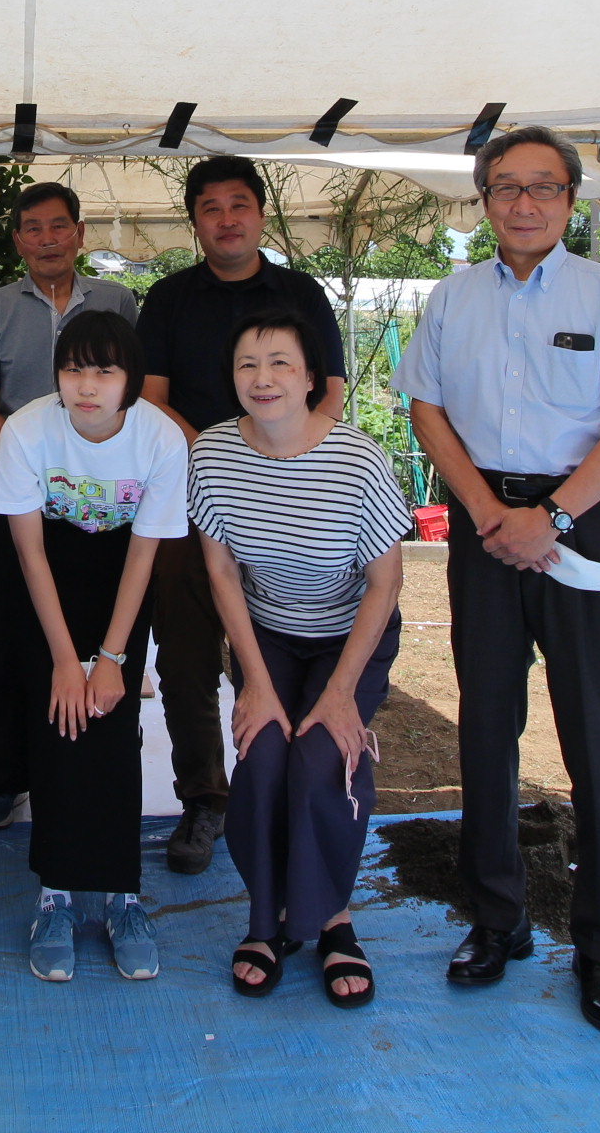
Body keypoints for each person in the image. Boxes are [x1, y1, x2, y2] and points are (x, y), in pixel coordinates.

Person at [393, 124, 600, 1036]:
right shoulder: (455, 297)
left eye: (543, 188)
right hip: (485, 526)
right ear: (484, 200)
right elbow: (426, 407)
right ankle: (496, 919)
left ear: (570, 199)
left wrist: (548, 518)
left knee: (598, 734)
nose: (523, 203)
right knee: (485, 728)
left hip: (582, 526)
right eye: (506, 187)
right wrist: (486, 514)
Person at [191, 310, 409, 1009]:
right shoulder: (213, 456)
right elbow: (223, 574)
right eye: (247, 365)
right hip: (270, 635)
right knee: (260, 756)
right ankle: (267, 920)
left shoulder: (358, 460)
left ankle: (332, 918)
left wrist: (343, 692)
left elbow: (386, 583)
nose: (263, 379)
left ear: (313, 377)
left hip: (351, 638)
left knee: (324, 758)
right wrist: (253, 680)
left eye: (281, 363)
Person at [138, 155, 348, 875]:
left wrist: (278, 459)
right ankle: (204, 798)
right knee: (188, 657)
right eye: (209, 208)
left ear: (259, 213)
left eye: (238, 205)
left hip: (292, 501)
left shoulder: (301, 294)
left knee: (288, 650)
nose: (225, 219)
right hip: (192, 504)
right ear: (194, 220)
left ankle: (293, 790)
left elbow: (331, 394)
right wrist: (224, 458)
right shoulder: (166, 299)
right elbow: (154, 399)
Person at [0, 310, 188, 983]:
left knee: (111, 726)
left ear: (130, 377)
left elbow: (144, 553)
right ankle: (55, 895)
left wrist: (112, 660)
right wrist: (63, 662)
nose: (87, 384)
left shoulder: (160, 438)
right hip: (46, 585)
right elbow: (28, 551)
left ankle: (122, 896)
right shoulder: (25, 430)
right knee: (57, 725)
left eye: (104, 370)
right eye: (74, 368)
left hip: (118, 589)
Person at [0, 183, 139, 829]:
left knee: (99, 632)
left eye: (59, 227)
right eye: (32, 229)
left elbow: (134, 399)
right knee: (16, 637)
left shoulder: (118, 301)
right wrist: (36, 465)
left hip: (103, 507)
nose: (47, 239)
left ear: (80, 233)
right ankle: (7, 775)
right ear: (17, 241)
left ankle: (107, 752)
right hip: (15, 502)